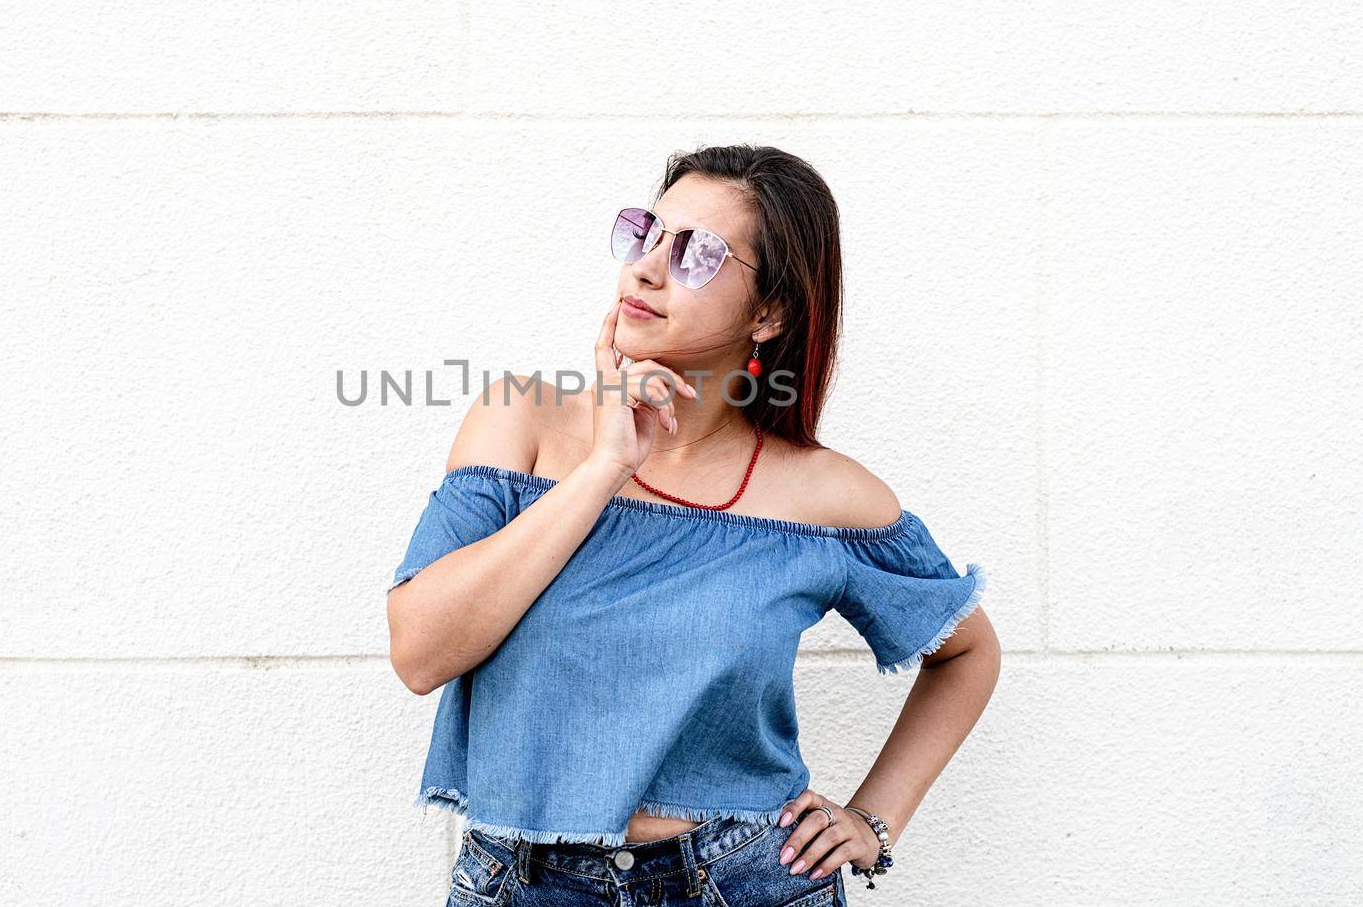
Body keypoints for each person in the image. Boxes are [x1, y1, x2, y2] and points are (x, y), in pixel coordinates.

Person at [386, 144, 1000, 906]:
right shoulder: (520, 420)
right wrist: (605, 466)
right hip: (526, 884)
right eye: (648, 234)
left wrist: (874, 819)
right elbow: (421, 651)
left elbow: (967, 648)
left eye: (698, 253)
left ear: (770, 311)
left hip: (744, 880)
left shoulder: (825, 496)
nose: (646, 267)